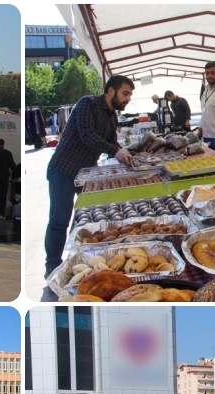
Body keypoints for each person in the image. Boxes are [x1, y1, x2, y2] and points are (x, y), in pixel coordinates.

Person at [44, 75, 135, 282]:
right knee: (59, 220)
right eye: (125, 93)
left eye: (129, 94)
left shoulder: (112, 116)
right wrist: (116, 150)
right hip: (64, 170)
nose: (128, 98)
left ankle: (83, 261)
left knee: (89, 219)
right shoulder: (88, 104)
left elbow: (112, 143)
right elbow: (87, 135)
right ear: (110, 91)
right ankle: (52, 268)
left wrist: (128, 153)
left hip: (86, 173)